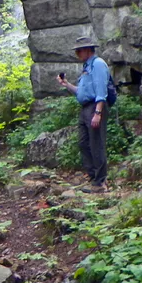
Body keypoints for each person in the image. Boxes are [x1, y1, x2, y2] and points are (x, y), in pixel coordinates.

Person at [58, 35, 110, 192]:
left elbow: (101, 90)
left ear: (87, 50)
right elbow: (82, 92)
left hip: (95, 107)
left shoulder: (98, 65)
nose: (77, 54)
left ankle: (100, 182)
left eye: (79, 51)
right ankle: (93, 176)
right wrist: (66, 84)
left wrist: (98, 112)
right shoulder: (87, 67)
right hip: (85, 108)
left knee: (96, 144)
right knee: (83, 143)